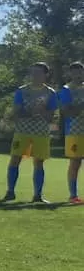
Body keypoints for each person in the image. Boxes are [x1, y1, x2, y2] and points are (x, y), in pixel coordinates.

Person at [3, 62, 57, 204]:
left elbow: (51, 117)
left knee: (39, 162)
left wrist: (42, 110)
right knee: (15, 159)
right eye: (33, 72)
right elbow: (16, 113)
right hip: (22, 131)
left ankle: (37, 195)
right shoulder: (21, 91)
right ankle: (10, 192)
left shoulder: (51, 93)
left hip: (41, 132)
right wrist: (30, 112)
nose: (35, 75)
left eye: (38, 72)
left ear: (45, 75)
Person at [61, 62, 84, 205]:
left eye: (80, 71)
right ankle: (73, 195)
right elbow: (67, 111)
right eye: (75, 72)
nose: (78, 75)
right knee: (75, 162)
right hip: (74, 130)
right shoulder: (66, 89)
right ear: (70, 73)